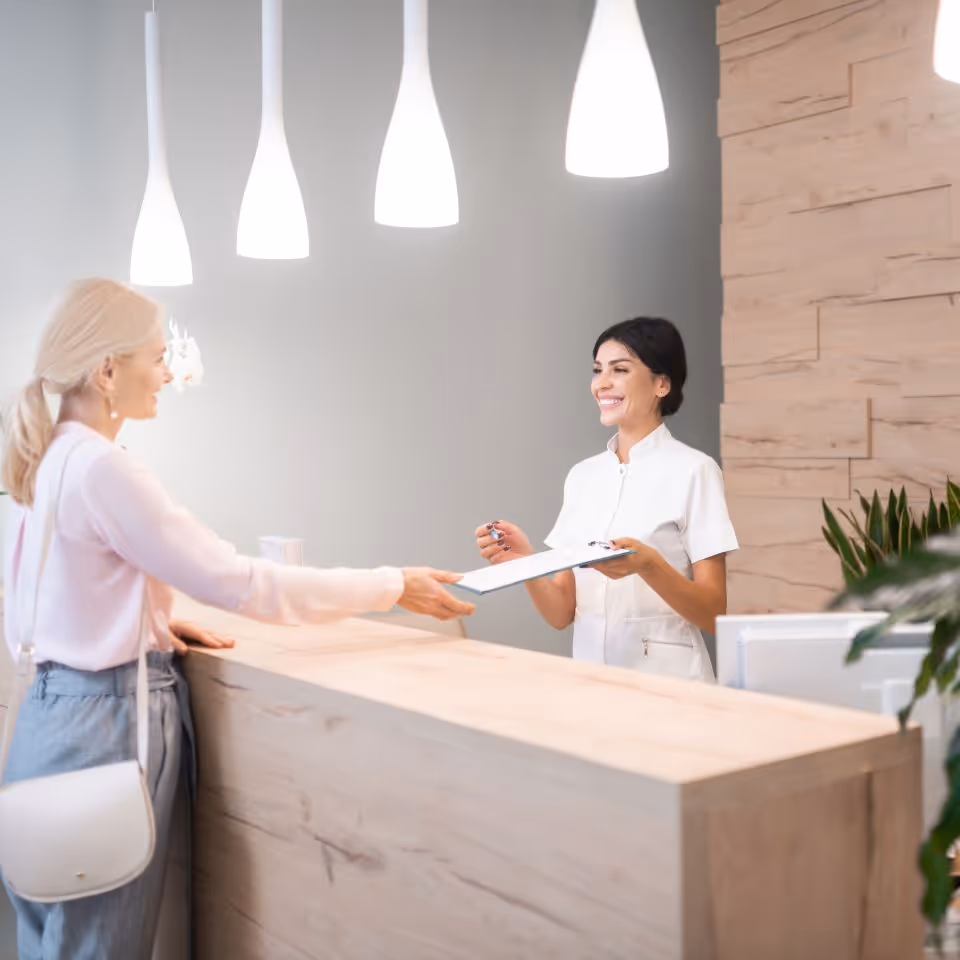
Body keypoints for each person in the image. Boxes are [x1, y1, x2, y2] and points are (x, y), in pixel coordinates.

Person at [0, 278, 474, 959]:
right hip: (103, 727)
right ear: (108, 370)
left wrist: (151, 621)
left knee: (57, 941)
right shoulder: (105, 469)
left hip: (49, 724)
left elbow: (41, 603)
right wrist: (391, 585)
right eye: (155, 357)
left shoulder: (40, 459)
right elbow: (242, 584)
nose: (167, 374)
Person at [474, 317, 737, 681]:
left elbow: (714, 613)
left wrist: (648, 565)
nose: (602, 383)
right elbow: (561, 614)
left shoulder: (695, 471)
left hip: (670, 685)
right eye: (598, 370)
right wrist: (525, 563)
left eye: (620, 370)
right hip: (591, 685)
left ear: (662, 384)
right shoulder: (582, 477)